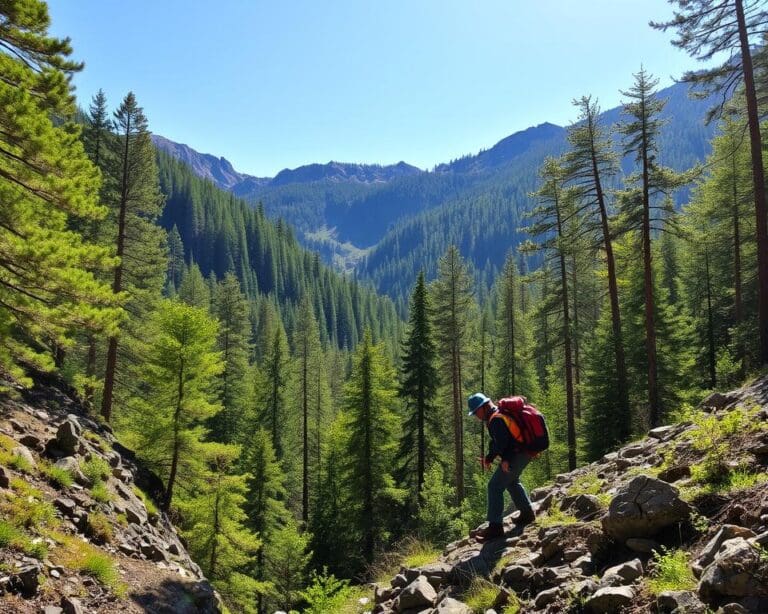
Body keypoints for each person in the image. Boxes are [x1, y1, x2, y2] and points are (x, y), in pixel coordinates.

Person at [467, 392, 535, 541]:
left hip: (518, 454)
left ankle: (495, 528)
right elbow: (499, 442)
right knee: (511, 481)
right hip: (525, 452)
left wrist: (506, 459)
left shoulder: (496, 420)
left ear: (484, 407)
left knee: (494, 486)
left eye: (476, 411)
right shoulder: (497, 415)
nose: (476, 416)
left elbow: (505, 443)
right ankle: (527, 514)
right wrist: (490, 458)